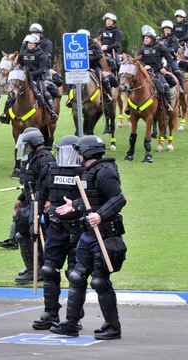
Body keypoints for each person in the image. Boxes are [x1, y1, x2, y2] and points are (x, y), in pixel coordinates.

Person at [50, 135, 127, 340]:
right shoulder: (89, 172)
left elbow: (119, 199)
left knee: (100, 281)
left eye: (79, 152)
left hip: (105, 234)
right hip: (88, 234)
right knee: (76, 276)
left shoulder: (106, 172)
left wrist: (100, 215)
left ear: (87, 153)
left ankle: (112, 326)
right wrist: (75, 205)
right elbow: (92, 199)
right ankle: (71, 324)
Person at [32, 135, 84, 330]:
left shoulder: (85, 171)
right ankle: (50, 312)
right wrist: (35, 220)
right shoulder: (50, 169)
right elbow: (40, 195)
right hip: (55, 228)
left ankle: (74, 317)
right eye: (64, 152)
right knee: (48, 269)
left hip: (78, 230)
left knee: (75, 274)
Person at [13, 128, 54, 284]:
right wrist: (21, 198)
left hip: (40, 203)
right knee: (21, 234)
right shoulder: (32, 157)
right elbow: (30, 182)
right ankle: (32, 268)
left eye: (27, 145)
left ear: (34, 144)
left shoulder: (45, 159)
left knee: (37, 234)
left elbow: (49, 182)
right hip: (31, 201)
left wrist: (49, 200)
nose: (25, 148)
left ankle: (40, 269)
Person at [16, 34, 59, 120]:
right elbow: (18, 65)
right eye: (28, 43)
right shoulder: (23, 54)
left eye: (32, 43)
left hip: (38, 79)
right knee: (12, 94)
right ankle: (6, 113)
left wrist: (30, 75)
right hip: (24, 80)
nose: (29, 45)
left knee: (45, 93)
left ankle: (52, 111)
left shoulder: (42, 55)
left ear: (36, 44)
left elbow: (42, 69)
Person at [136, 26, 175, 113]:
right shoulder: (141, 49)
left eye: (147, 38)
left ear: (152, 39)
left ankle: (168, 105)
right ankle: (129, 107)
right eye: (144, 38)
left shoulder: (160, 47)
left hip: (157, 72)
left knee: (165, 86)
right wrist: (144, 65)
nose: (145, 39)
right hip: (144, 72)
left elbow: (169, 59)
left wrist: (165, 68)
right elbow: (138, 60)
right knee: (132, 86)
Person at [79, 28, 113, 102]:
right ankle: (70, 98)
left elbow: (100, 55)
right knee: (71, 80)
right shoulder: (77, 47)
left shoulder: (94, 45)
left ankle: (108, 95)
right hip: (80, 67)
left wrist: (89, 59)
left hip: (94, 67)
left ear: (88, 37)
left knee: (105, 79)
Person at [159, 20, 185, 93]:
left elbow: (175, 48)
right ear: (163, 29)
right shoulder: (160, 39)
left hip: (171, 58)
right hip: (161, 59)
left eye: (168, 28)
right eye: (165, 28)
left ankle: (181, 87)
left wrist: (167, 50)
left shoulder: (173, 38)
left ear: (171, 29)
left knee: (177, 71)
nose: (167, 29)